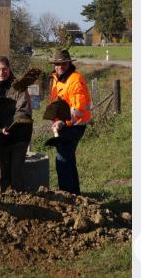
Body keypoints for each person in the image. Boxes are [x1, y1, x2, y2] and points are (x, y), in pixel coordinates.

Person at [0, 56, 33, 192]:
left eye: (4, 69)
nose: (1, 72)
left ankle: (20, 204)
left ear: (9, 69)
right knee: (4, 173)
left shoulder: (19, 86)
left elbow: (22, 110)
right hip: (3, 136)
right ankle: (6, 203)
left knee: (16, 174)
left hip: (20, 134)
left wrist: (9, 125)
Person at [47, 49, 92, 195]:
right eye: (57, 64)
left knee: (63, 161)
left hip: (75, 125)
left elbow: (77, 109)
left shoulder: (75, 79)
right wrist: (56, 121)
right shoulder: (56, 79)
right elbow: (57, 104)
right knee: (68, 160)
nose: (60, 67)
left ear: (69, 64)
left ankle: (67, 195)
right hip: (63, 125)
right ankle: (74, 195)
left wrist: (63, 123)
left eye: (63, 64)